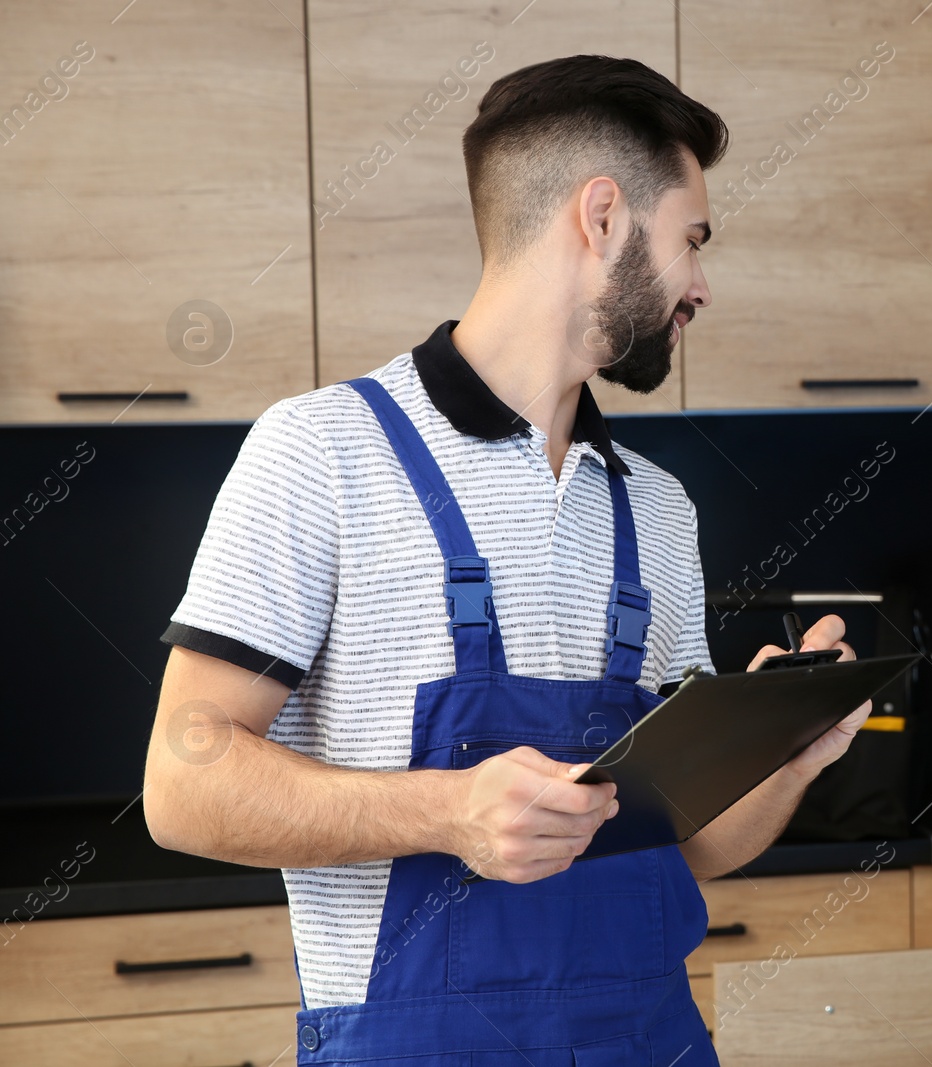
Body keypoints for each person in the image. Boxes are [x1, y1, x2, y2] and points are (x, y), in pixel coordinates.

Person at [142, 54, 871, 1066]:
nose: (700, 285)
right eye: (690, 241)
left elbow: (687, 851)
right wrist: (449, 811)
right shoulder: (320, 453)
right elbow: (182, 784)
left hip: (646, 1039)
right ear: (603, 217)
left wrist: (782, 752)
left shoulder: (656, 507)